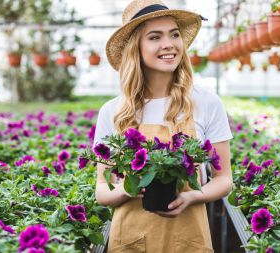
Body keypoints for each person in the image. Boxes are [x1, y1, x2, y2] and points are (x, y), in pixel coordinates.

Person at [93, 0, 233, 252]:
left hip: (189, 241)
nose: (169, 44)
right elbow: (102, 191)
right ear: (136, 47)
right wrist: (130, 188)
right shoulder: (113, 111)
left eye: (174, 34)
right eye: (155, 37)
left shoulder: (206, 102)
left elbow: (224, 180)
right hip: (130, 241)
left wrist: (192, 196)